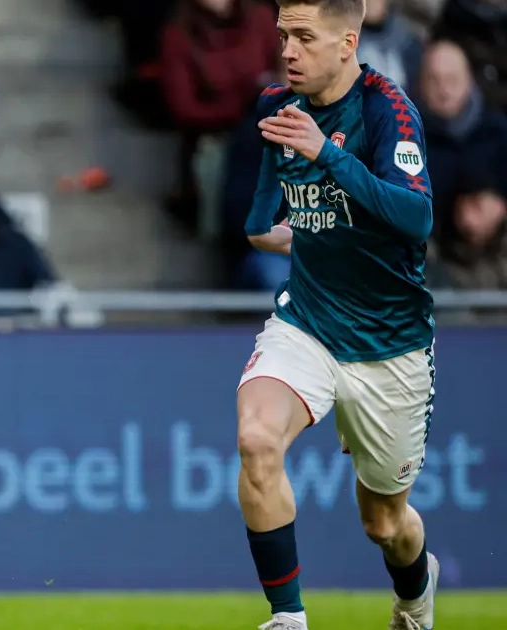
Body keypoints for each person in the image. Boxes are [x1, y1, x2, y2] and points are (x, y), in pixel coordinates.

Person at [239, 1, 437, 629]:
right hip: (308, 322)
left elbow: (417, 218)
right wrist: (299, 231)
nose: (288, 51)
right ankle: (288, 618)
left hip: (389, 344)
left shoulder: (387, 109)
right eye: (283, 35)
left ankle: (415, 594)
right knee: (256, 440)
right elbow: (260, 224)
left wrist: (327, 154)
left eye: (304, 37)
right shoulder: (279, 107)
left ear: (348, 41)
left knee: (385, 525)